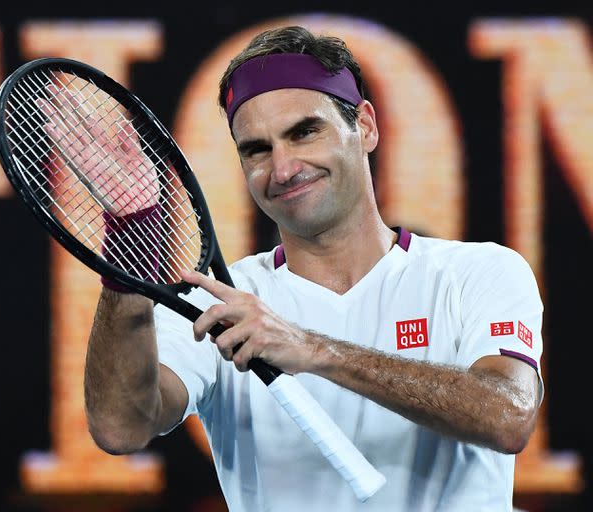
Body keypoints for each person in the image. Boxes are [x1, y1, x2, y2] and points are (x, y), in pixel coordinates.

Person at [83, 26, 544, 511]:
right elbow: (120, 427)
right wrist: (130, 237)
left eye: (305, 132)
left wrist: (311, 348)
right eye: (257, 149)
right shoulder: (218, 301)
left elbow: (507, 416)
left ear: (364, 126)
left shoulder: (481, 271)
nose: (282, 169)